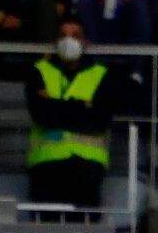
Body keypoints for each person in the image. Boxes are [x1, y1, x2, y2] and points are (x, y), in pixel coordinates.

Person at [26, 22, 123, 208]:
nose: (68, 40)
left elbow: (100, 120)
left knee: (84, 225)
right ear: (55, 40)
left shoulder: (102, 74)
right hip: (46, 166)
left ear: (85, 41)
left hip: (88, 168)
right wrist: (82, 106)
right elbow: (41, 115)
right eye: (63, 35)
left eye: (75, 35)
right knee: (45, 226)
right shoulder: (39, 71)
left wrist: (55, 105)